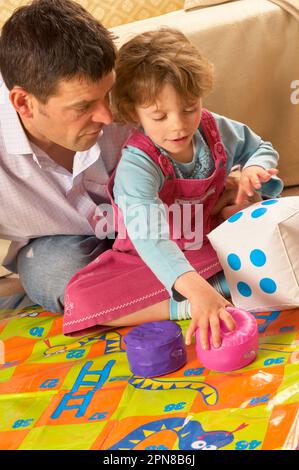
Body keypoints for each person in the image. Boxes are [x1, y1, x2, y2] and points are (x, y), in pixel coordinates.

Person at [64, 28, 283, 349]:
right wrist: (195, 293)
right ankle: (190, 302)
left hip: (208, 236)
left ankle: (221, 284)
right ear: (132, 112)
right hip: (150, 255)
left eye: (190, 107)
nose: (178, 125)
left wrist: (254, 168)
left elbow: (260, 147)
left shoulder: (213, 127)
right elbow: (151, 239)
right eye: (159, 116)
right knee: (81, 297)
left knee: (255, 212)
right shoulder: (137, 165)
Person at [0, 0, 130, 311]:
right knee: (53, 272)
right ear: (24, 103)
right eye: (83, 107)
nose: (107, 116)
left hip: (156, 224)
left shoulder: (128, 90)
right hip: (63, 252)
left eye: (107, 95)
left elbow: (210, 142)